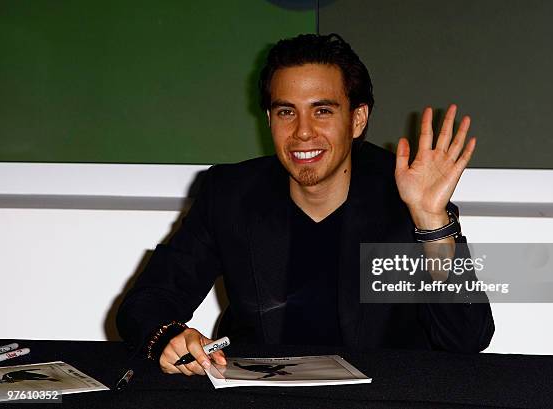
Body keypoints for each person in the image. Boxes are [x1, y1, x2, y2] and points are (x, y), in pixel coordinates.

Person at [116, 33, 494, 377]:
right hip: (261, 395)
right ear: (269, 119)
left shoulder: (404, 194)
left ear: (357, 119)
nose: (302, 132)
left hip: (381, 395)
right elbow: (148, 302)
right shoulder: (231, 194)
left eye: (322, 110)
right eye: (286, 112)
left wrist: (431, 221)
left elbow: (465, 338)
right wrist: (169, 335)